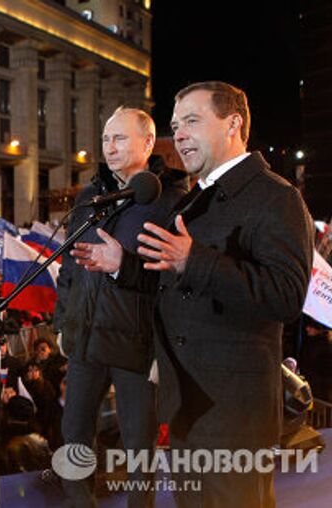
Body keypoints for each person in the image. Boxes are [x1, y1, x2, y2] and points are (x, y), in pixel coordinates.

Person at [71, 82, 314, 507]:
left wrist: (194, 261)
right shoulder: (199, 199)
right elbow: (175, 283)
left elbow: (286, 295)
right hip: (188, 405)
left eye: (192, 121)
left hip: (232, 415)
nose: (179, 134)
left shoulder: (276, 197)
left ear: (233, 123)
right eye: (175, 125)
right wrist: (123, 266)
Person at [54, 107, 187, 506]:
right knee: (73, 434)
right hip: (84, 337)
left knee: (138, 448)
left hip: (136, 343)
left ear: (148, 144)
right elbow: (68, 267)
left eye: (120, 138)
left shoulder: (169, 201)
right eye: (106, 139)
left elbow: (175, 282)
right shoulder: (89, 195)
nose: (110, 148)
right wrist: (63, 324)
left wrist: (162, 352)